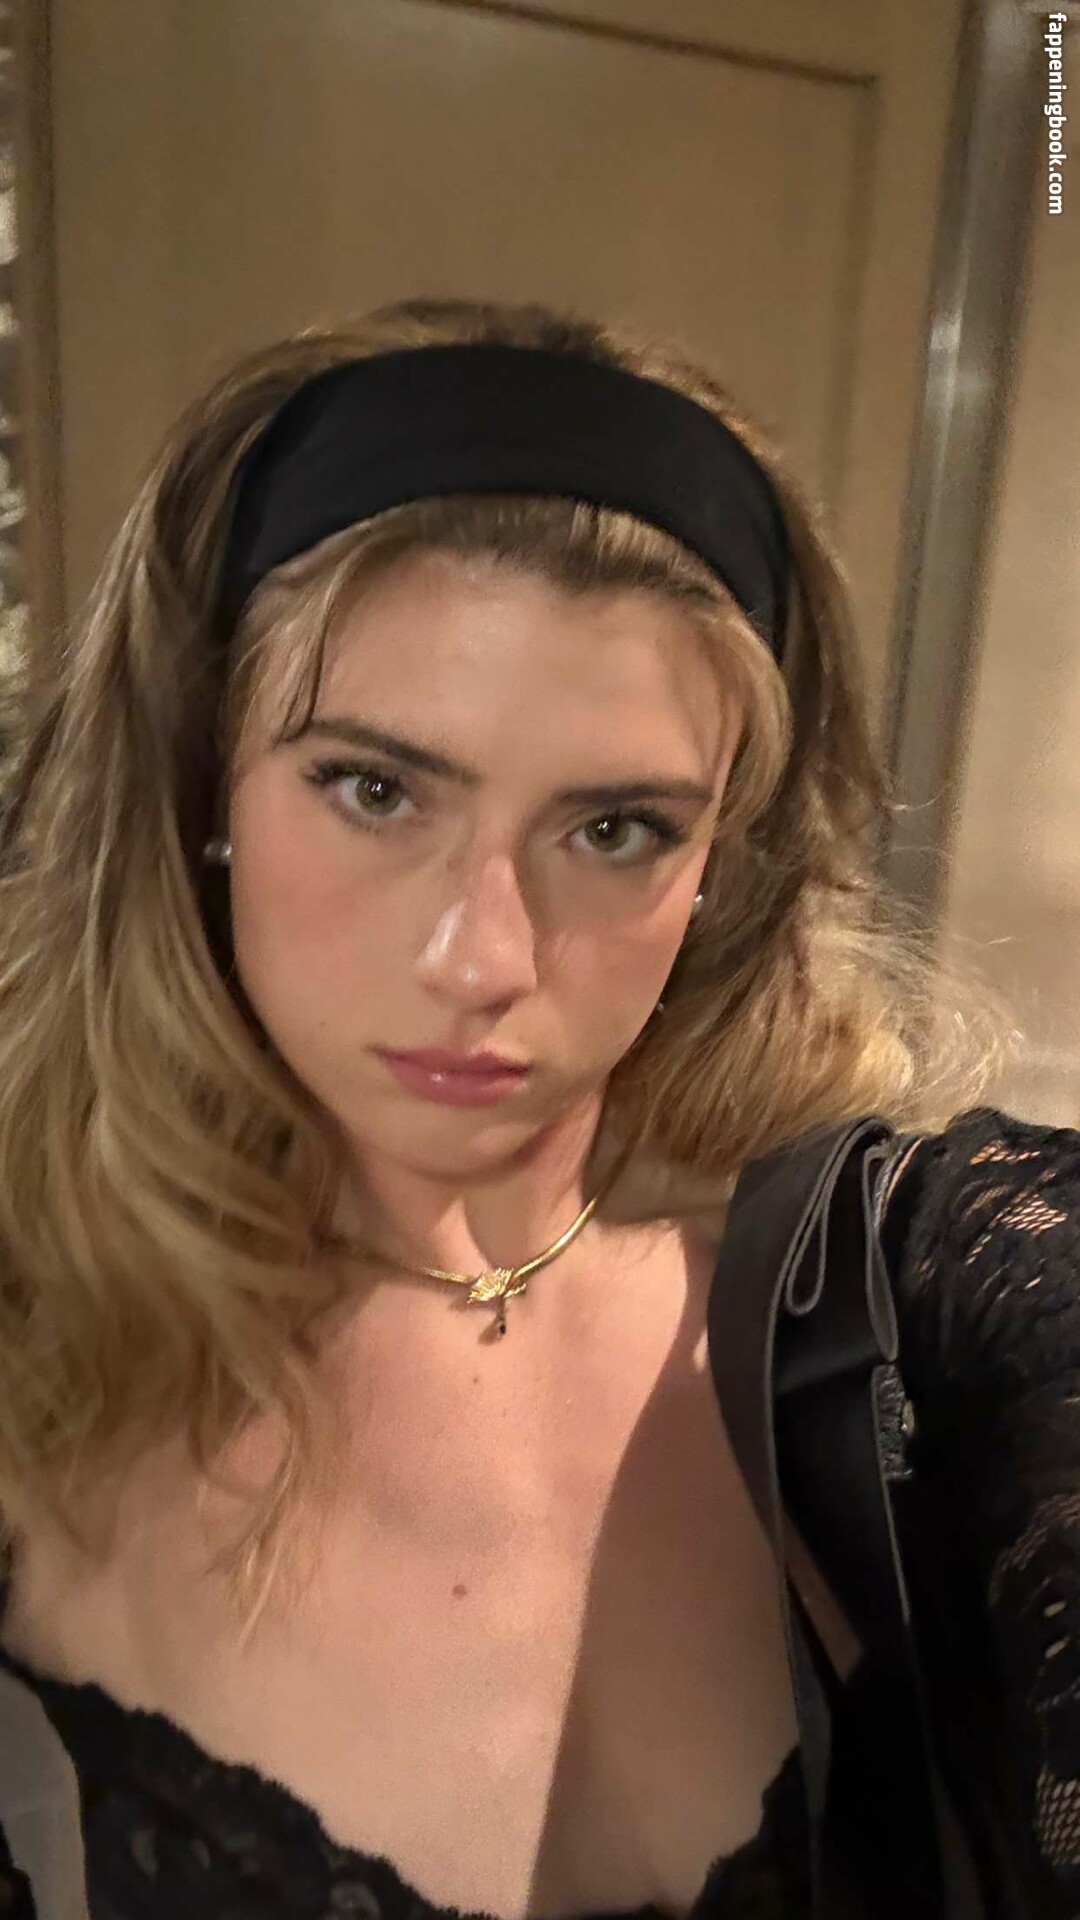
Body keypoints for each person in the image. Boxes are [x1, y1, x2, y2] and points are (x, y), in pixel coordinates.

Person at [0, 294, 1076, 1920]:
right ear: (202, 787)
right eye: (375, 789)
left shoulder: (920, 1293)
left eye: (617, 829)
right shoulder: (43, 1339)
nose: (483, 959)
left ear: (723, 862)